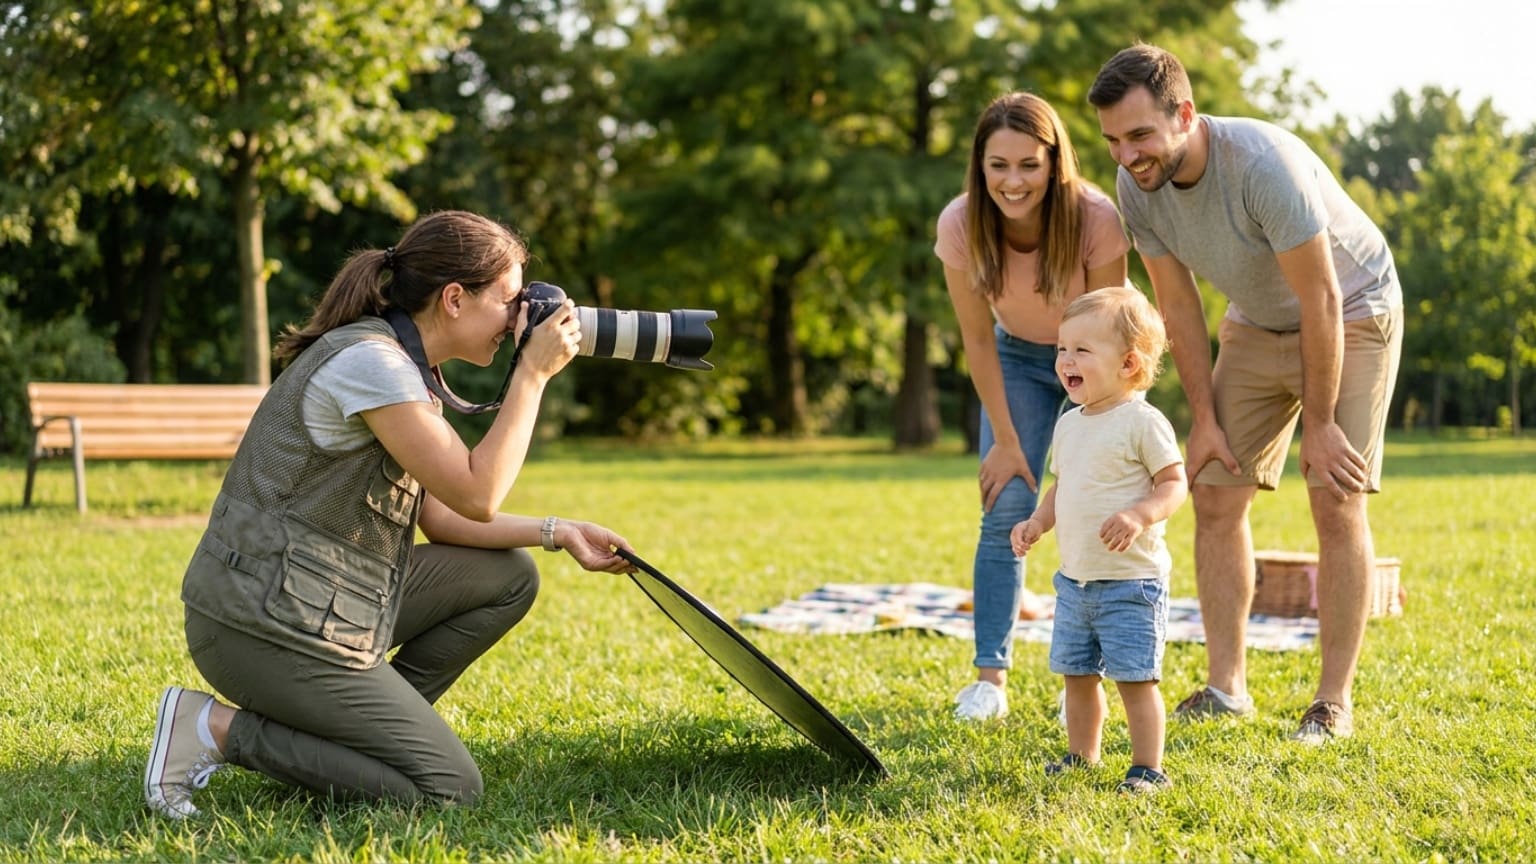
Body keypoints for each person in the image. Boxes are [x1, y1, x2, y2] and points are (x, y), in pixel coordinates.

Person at [143, 210, 637, 819]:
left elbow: (447, 519)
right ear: (455, 299)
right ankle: (213, 729)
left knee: (509, 576)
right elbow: (478, 494)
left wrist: (558, 532)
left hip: (309, 601)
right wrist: (532, 375)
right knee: (446, 788)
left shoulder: (405, 370)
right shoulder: (372, 366)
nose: (518, 321)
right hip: (256, 623)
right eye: (510, 301)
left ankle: (342, 742)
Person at [1088, 44, 1404, 744]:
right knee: (1213, 489)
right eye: (1112, 140)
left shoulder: (1262, 164)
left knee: (1335, 493)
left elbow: (1321, 297)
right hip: (1258, 319)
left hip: (1352, 310)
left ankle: (1331, 703)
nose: (1126, 155)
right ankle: (1228, 687)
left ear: (1185, 115)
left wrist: (1319, 424)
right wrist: (1203, 420)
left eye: (1139, 135)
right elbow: (1177, 304)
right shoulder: (1134, 186)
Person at [934, 91, 1130, 721]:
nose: (1013, 181)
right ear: (980, 166)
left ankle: (1102, 669)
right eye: (999, 165)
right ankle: (990, 679)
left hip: (1096, 360)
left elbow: (1112, 326)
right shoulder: (961, 224)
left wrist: (1091, 437)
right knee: (1008, 506)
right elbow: (973, 336)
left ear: (1054, 162)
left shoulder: (1096, 217)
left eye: (1028, 164)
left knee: (1096, 508)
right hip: (1015, 359)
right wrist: (1010, 444)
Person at [1011, 285, 1186, 794]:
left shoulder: (1142, 422)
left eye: (1082, 350)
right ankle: (1081, 755)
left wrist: (1139, 514)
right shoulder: (1070, 423)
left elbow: (1174, 483)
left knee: (1135, 679)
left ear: (1129, 363)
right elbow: (1063, 486)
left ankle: (1148, 766)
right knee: (1077, 676)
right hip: (1075, 582)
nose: (1065, 359)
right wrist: (1037, 523)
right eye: (1062, 348)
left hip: (1131, 583)